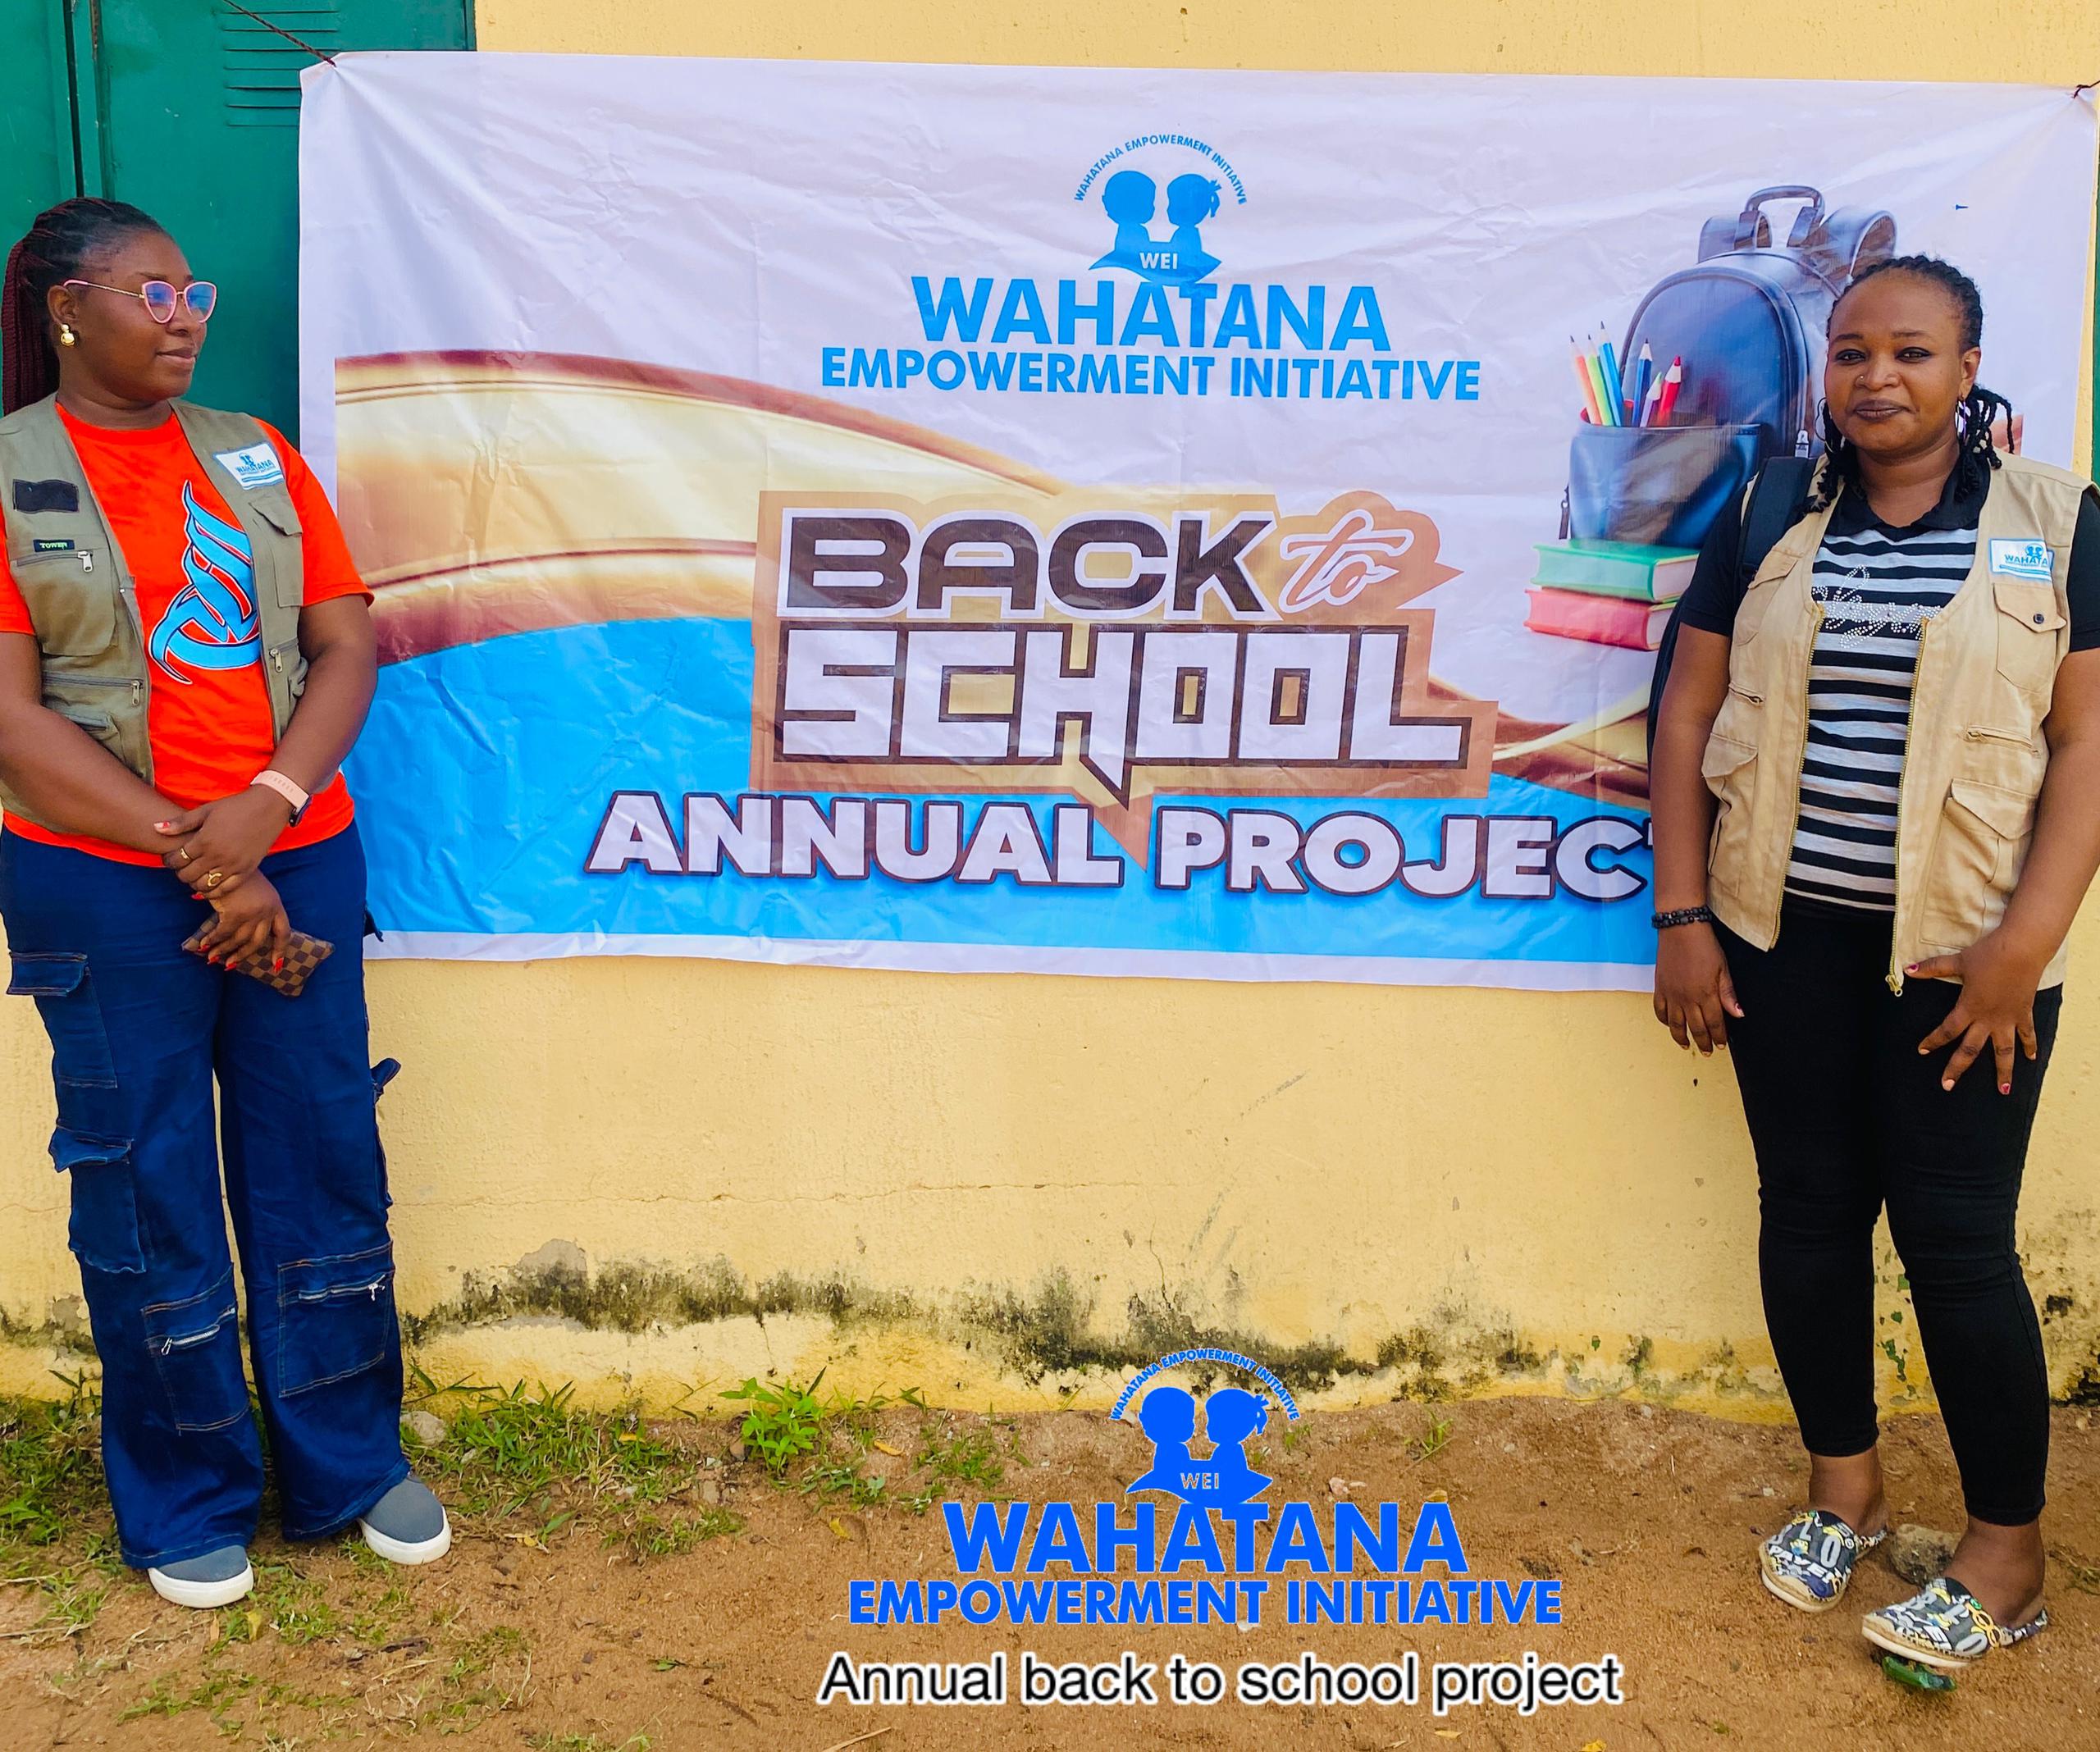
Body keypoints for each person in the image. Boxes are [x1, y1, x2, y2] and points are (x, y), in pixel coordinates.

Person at [1650, 255, 2100, 1671]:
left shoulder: (2057, 521)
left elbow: (2088, 741)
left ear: (1969, 369)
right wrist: (1683, 919)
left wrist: (2023, 950)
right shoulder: (1770, 510)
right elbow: (1686, 711)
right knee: (1808, 1213)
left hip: (1966, 961)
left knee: (1958, 1245)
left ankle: (2006, 1556)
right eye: (1851, 352)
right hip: (1782, 941)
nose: (1876, 376)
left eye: (1912, 350)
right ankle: (1844, 1491)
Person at [0, 198, 450, 1609]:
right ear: (66, 309)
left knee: (317, 1145)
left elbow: (344, 643)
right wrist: (206, 856)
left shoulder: (257, 453)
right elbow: (11, 723)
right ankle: (187, 1489)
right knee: (147, 1178)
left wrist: (268, 803)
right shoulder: (12, 475)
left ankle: (347, 1461)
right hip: (102, 886)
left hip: (294, 863)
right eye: (150, 293)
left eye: (192, 291)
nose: (184, 315)